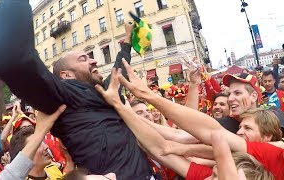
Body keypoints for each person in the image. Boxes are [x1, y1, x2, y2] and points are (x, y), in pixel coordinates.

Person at [0, 0, 153, 178]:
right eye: (83, 59)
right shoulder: (64, 97)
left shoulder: (104, 92)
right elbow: (15, 60)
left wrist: (128, 39)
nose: (94, 61)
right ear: (65, 75)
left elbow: (119, 70)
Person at [112, 60, 284, 179]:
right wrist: (129, 113)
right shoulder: (228, 123)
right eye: (229, 93)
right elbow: (177, 136)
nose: (231, 98)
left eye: (237, 93)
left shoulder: (275, 124)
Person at [0, 105, 66, 180]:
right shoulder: (13, 142)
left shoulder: (52, 168)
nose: (46, 147)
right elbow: (3, 139)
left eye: (41, 142)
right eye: (37, 145)